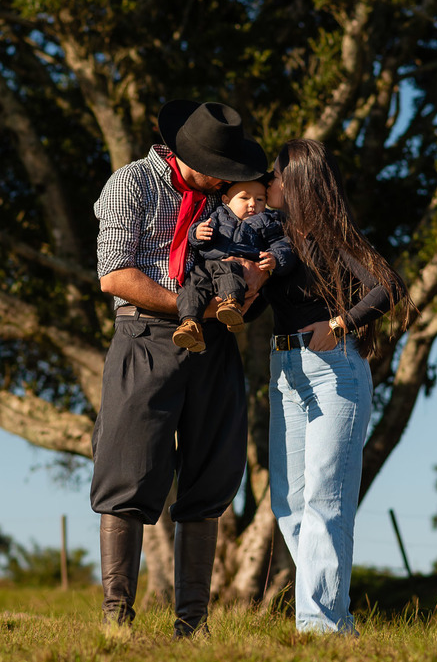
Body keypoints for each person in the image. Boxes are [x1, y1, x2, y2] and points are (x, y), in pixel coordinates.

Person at [90, 99, 269, 638]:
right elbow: (115, 275)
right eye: (224, 173)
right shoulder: (132, 185)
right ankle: (116, 618)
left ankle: (193, 627)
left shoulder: (229, 202)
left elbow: (260, 255)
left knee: (211, 477)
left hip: (215, 341)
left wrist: (255, 279)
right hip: (146, 336)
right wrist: (191, 306)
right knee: (129, 472)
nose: (231, 183)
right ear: (192, 158)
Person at [250, 138, 412, 635]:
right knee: (290, 506)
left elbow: (389, 287)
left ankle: (318, 629)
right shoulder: (271, 237)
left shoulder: (328, 237)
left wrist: (340, 323)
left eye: (275, 177)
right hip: (285, 370)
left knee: (325, 499)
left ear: (295, 181)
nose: (268, 186)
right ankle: (335, 622)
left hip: (333, 369)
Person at [172, 175, 295, 353]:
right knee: (192, 284)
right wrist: (197, 233)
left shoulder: (267, 221)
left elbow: (283, 244)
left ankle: (231, 306)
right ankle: (190, 323)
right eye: (244, 198)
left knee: (230, 271)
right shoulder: (218, 215)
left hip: (238, 267)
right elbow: (198, 232)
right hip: (210, 264)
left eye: (259, 199)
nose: (252, 204)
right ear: (226, 200)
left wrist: (275, 258)